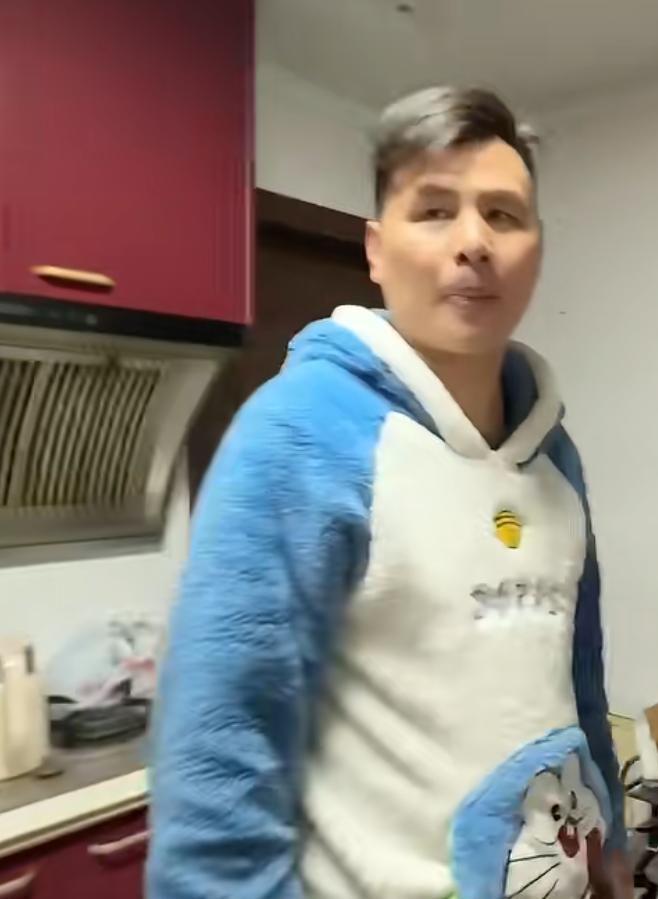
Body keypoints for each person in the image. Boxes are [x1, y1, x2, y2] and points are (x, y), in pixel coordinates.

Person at [148, 86, 628, 899]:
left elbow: (577, 677)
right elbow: (220, 748)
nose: (473, 242)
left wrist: (608, 835)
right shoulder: (299, 432)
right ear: (375, 249)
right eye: (435, 211)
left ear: (536, 251)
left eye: (503, 215)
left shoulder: (556, 455)